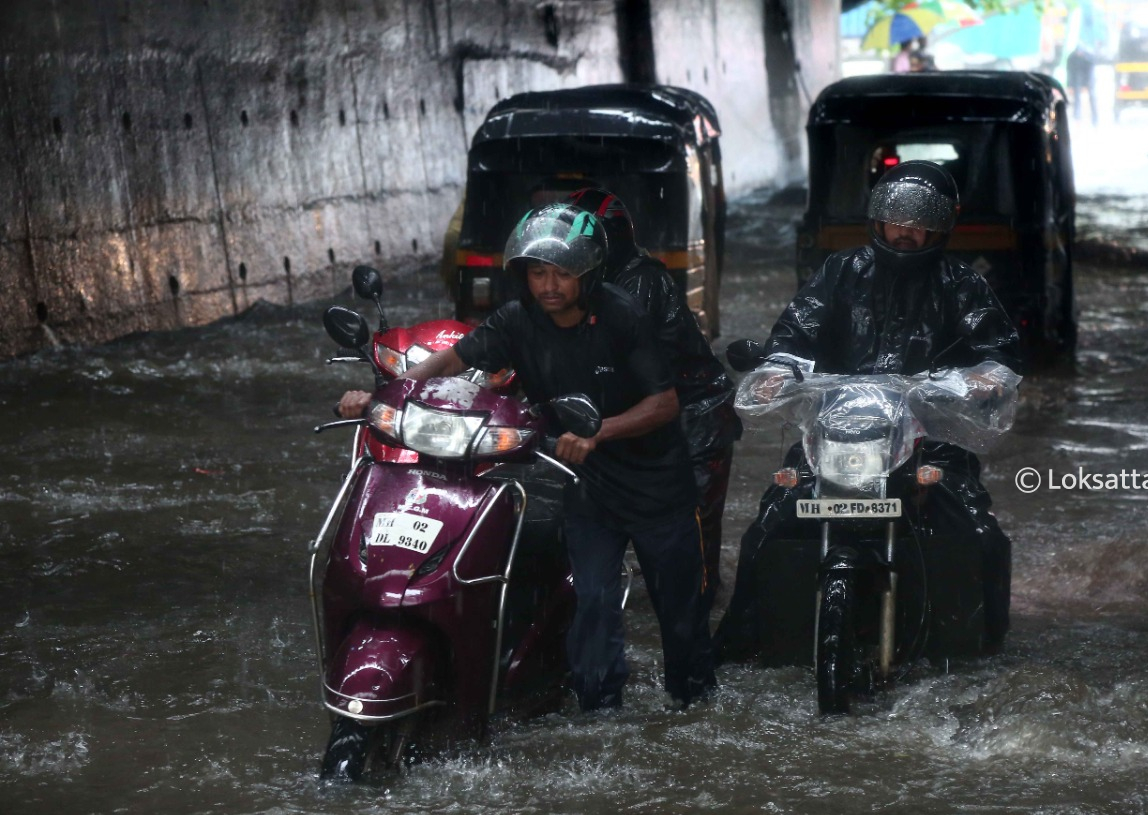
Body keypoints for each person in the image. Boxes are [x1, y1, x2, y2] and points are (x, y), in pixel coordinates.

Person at [338, 203, 716, 712]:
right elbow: (457, 356)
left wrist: (599, 433)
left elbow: (665, 403)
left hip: (657, 486)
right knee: (593, 601)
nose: (549, 285)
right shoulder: (517, 321)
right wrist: (388, 392)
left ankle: (691, 707)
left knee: (679, 613)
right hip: (589, 485)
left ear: (588, 274)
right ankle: (600, 712)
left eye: (562, 273)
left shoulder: (624, 315)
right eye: (538, 273)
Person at [715, 160, 1021, 663]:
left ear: (941, 225)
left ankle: (979, 649)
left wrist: (983, 379)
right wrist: (776, 370)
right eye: (897, 217)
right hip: (838, 431)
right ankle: (748, 645)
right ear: (877, 219)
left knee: (978, 532)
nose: (906, 230)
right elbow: (793, 335)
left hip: (929, 435)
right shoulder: (840, 271)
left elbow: (1000, 353)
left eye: (920, 219)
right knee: (768, 524)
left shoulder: (962, 284)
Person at [563, 187, 742, 617]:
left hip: (694, 424)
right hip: (645, 423)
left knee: (690, 543)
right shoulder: (591, 287)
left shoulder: (641, 282)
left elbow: (611, 359)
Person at [1066, 45, 1098, 126]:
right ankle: (1077, 116)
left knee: (1092, 96)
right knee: (1077, 96)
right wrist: (1069, 85)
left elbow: (1091, 73)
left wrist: (1088, 84)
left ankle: (1095, 118)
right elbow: (1070, 73)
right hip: (1077, 79)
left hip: (1088, 79)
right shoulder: (1071, 58)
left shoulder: (1088, 59)